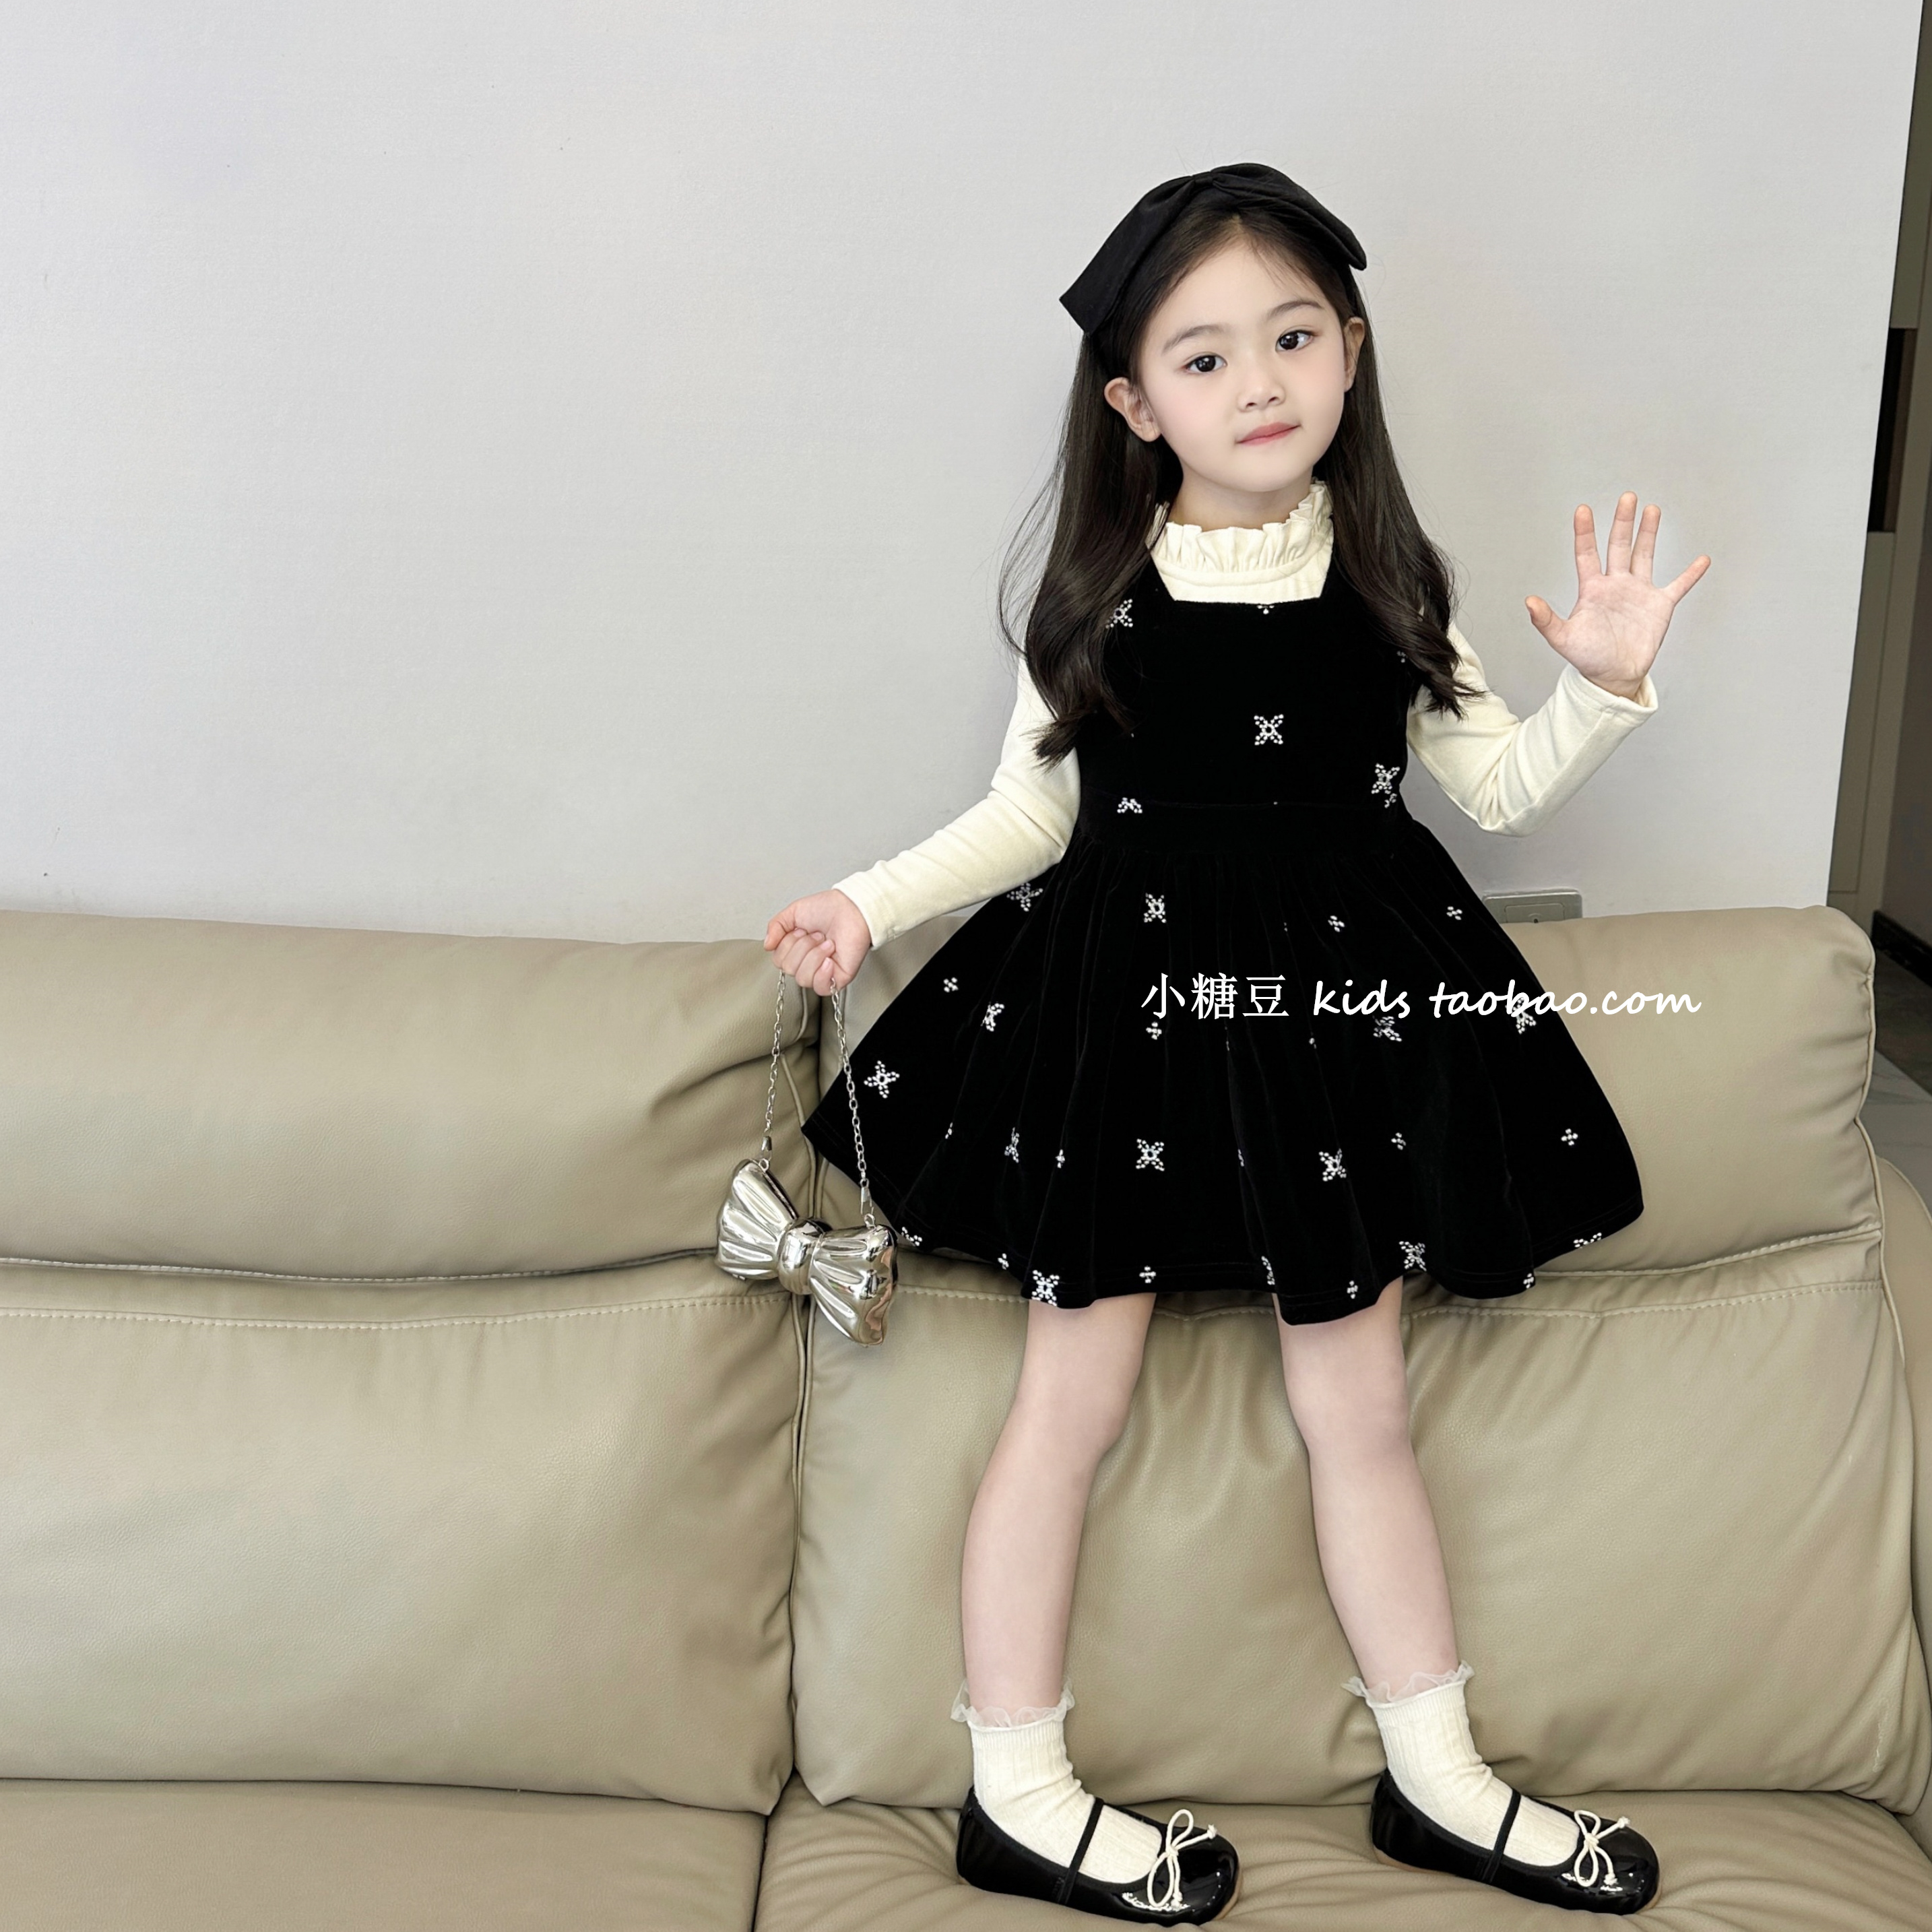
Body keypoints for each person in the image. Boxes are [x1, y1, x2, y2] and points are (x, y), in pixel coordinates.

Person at [765, 162, 1708, 1923]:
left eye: (1291, 337)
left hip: (1338, 1038)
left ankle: (1436, 1779)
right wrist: (864, 903)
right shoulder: (1099, 596)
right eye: (1202, 358)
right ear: (1135, 404)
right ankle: (1014, 1790)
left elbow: (1498, 790)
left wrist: (1599, 684)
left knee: (1360, 1406)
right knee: (1069, 1401)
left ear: (1350, 351)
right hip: (1125, 1027)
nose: (1257, 382)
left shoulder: (1391, 579)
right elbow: (1028, 817)